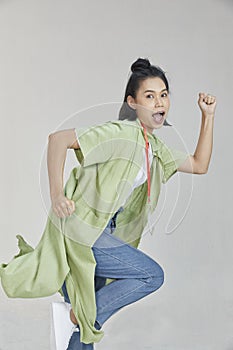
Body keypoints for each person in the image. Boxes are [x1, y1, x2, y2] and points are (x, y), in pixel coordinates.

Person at [0, 58, 216, 350]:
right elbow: (58, 140)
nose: (159, 102)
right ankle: (81, 315)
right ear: (133, 102)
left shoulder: (155, 148)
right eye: (149, 96)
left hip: (107, 232)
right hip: (83, 232)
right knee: (150, 276)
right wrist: (56, 196)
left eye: (163, 94)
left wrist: (208, 115)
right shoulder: (119, 133)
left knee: (86, 329)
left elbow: (199, 164)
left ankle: (81, 318)